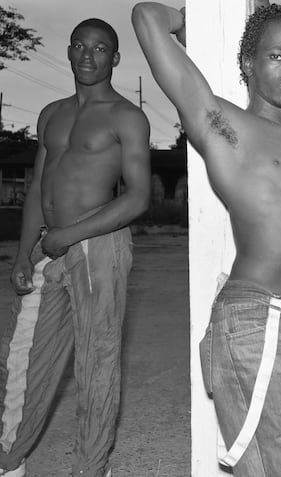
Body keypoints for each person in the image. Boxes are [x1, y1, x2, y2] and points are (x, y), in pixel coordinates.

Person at [132, 2, 281, 476]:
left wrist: (270, 24)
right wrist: (215, 25)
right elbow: (146, 16)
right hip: (257, 321)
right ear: (247, 64)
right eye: (276, 57)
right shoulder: (226, 127)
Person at [0, 18, 150, 477]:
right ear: (68, 51)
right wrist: (26, 253)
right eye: (81, 46)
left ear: (115, 58)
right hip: (50, 247)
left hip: (99, 246)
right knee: (24, 353)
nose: (89, 55)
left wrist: (70, 235)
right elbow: (39, 189)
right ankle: (10, 459)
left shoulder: (127, 116)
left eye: (100, 48)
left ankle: (91, 467)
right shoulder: (51, 113)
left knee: (96, 360)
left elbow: (138, 197)